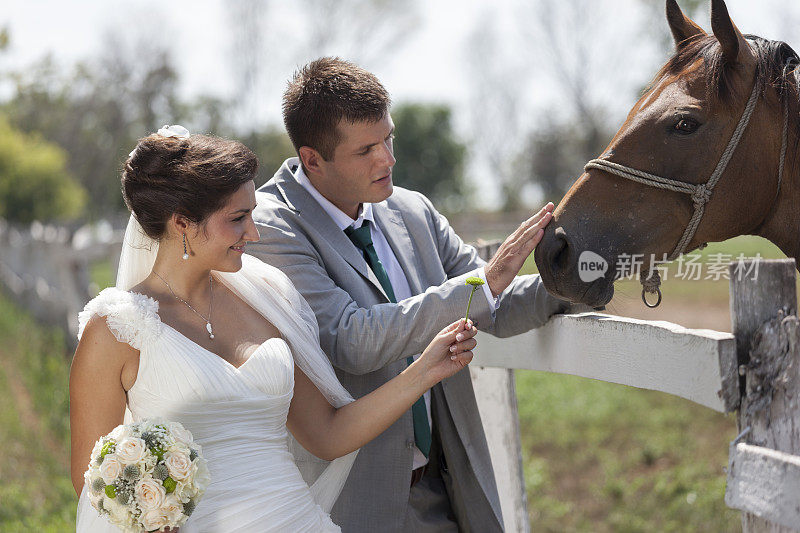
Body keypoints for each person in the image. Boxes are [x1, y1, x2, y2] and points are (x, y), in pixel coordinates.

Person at [70, 126, 478, 532]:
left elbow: (328, 433)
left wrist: (424, 371)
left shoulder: (265, 294)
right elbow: (93, 486)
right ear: (181, 222)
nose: (254, 232)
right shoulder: (116, 328)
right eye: (238, 218)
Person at [250, 57, 575, 532]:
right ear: (312, 159)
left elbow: (495, 307)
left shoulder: (413, 209)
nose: (388, 159)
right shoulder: (270, 225)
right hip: (351, 505)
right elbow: (349, 339)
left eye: (388, 137)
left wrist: (581, 276)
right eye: (366, 150)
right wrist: (485, 281)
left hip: (445, 486)